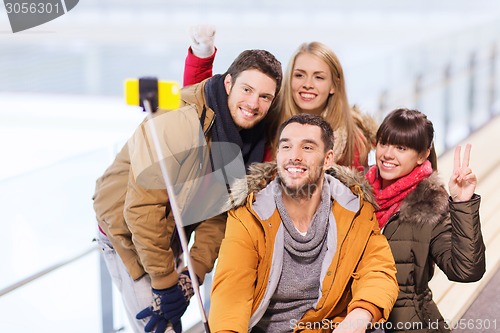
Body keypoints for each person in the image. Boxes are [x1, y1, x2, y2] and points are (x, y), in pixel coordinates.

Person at [93, 49, 283, 333]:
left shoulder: (247, 139)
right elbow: (142, 210)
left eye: (265, 97)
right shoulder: (179, 120)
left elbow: (219, 215)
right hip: (126, 231)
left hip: (168, 233)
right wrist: (166, 282)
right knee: (160, 327)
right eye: (247, 89)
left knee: (171, 322)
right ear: (229, 83)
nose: (254, 103)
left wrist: (190, 274)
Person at [209, 113, 399, 332]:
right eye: (286, 147)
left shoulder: (354, 208)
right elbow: (231, 294)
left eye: (307, 148)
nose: (294, 156)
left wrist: (360, 314)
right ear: (277, 153)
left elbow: (377, 268)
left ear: (327, 159)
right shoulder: (250, 216)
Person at [183, 26, 377, 171]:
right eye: (299, 75)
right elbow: (209, 106)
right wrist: (202, 56)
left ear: (334, 84)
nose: (307, 84)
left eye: (318, 77)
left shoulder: (354, 138)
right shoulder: (267, 119)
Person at [363, 108, 486, 332]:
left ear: (422, 155)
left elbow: (466, 271)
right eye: (383, 143)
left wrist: (462, 204)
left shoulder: (430, 206)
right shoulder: (357, 194)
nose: (387, 154)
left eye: (401, 147)